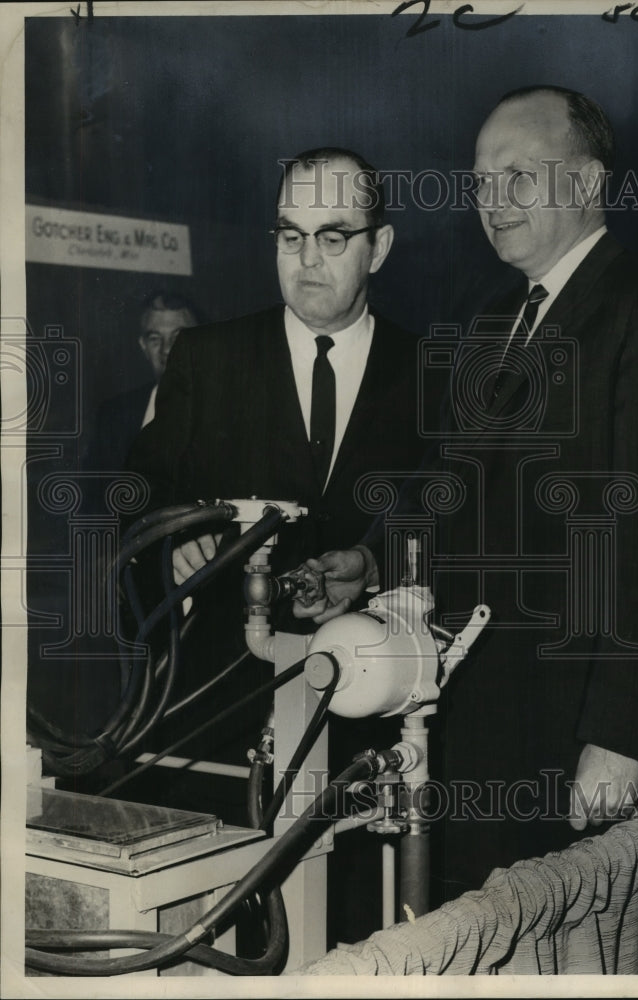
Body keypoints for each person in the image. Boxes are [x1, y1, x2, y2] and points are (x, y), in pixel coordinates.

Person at [293, 87, 638, 903]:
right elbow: (447, 479)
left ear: (586, 183)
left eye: (516, 178)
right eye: (478, 182)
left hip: (583, 735)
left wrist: (619, 736)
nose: (490, 203)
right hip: (477, 723)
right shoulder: (493, 320)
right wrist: (366, 556)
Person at [126, 147, 426, 943]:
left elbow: (447, 517)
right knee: (211, 942)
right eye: (289, 236)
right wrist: (173, 544)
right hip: (216, 725)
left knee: (351, 937)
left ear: (379, 247)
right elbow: (132, 502)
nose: (306, 261)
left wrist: (372, 563)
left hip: (366, 727)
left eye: (333, 237)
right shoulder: (206, 359)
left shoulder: (433, 369)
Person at [85, 291, 200, 473]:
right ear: (143, 347)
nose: (167, 349)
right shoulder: (113, 415)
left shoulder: (230, 411)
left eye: (178, 337)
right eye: (155, 339)